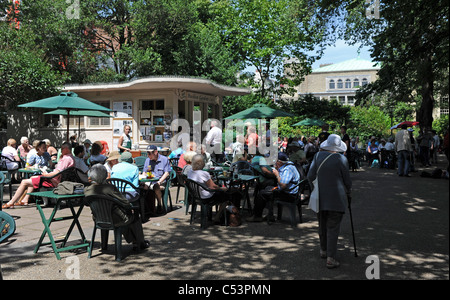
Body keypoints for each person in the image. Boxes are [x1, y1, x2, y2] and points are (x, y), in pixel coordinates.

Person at [307, 134, 352, 269]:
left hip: (320, 197)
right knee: (332, 227)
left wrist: (314, 189)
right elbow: (347, 181)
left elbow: (310, 176)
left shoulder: (317, 156)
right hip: (336, 199)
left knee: (322, 223)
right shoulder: (342, 159)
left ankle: (323, 250)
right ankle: (331, 258)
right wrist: (349, 191)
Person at [84, 164, 149, 251]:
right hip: (115, 218)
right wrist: (130, 207)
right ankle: (140, 243)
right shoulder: (110, 188)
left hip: (98, 218)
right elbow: (125, 202)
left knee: (122, 215)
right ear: (105, 176)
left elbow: (86, 203)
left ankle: (107, 244)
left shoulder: (87, 190)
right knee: (134, 215)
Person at [2, 142, 75, 209]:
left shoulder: (66, 159)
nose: (60, 151)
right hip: (54, 179)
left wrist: (46, 175)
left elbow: (56, 173)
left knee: (24, 181)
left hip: (52, 180)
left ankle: (11, 202)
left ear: (65, 149)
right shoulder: (71, 158)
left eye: (62, 149)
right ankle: (25, 199)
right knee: (32, 179)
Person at [247, 152, 300, 223]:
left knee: (262, 194)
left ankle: (257, 216)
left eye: (276, 161)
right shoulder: (288, 165)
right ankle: (270, 215)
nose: (275, 162)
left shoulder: (288, 169)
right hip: (289, 191)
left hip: (288, 194)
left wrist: (277, 175)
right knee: (267, 190)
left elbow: (283, 185)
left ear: (279, 162)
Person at [142, 145, 171, 214]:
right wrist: (143, 178)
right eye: (147, 153)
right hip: (150, 181)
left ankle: (159, 204)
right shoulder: (147, 160)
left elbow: (167, 173)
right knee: (142, 187)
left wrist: (160, 181)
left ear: (155, 152)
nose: (148, 155)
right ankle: (146, 208)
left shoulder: (164, 159)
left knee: (156, 186)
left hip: (161, 182)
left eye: (150, 153)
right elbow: (144, 172)